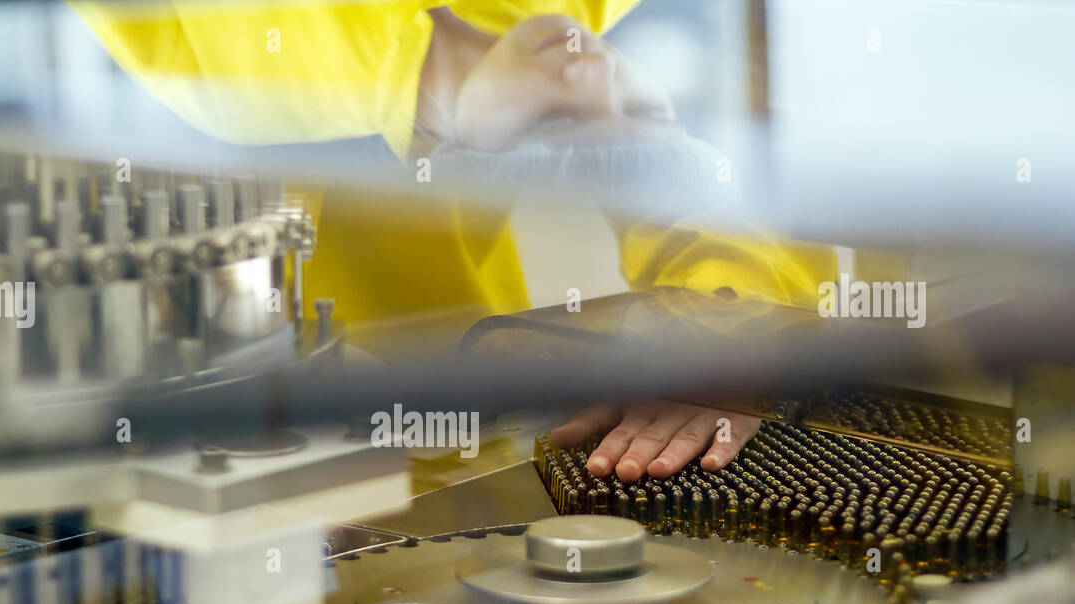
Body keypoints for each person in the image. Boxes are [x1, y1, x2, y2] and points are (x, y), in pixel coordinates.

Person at [71, 0, 834, 477]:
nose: (595, 73)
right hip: (180, 428)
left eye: (570, 122)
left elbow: (686, 175)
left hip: (420, 445)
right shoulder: (232, 82)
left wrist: (718, 332)